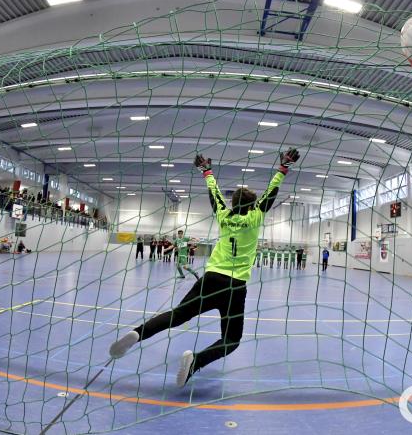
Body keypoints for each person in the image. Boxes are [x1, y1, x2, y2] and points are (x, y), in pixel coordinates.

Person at [109, 148, 300, 387]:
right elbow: (270, 195)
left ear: (233, 203)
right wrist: (283, 169)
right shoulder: (255, 217)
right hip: (235, 287)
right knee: (231, 339)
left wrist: (207, 171)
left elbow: (214, 194)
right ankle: (196, 361)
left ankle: (138, 333)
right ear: (253, 207)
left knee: (178, 315)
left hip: (210, 279)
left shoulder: (223, 216)